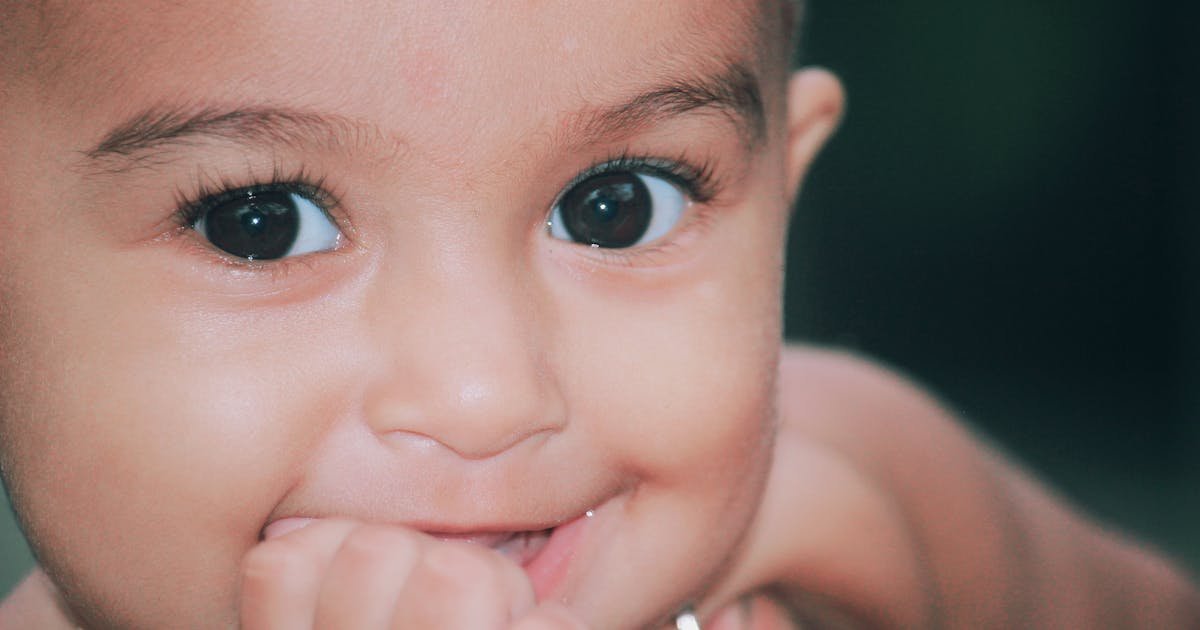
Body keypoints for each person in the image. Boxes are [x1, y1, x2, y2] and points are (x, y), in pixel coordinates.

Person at [0, 1, 1196, 628]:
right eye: (260, 222)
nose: (484, 396)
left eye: (614, 209)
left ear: (782, 193)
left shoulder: (853, 491)